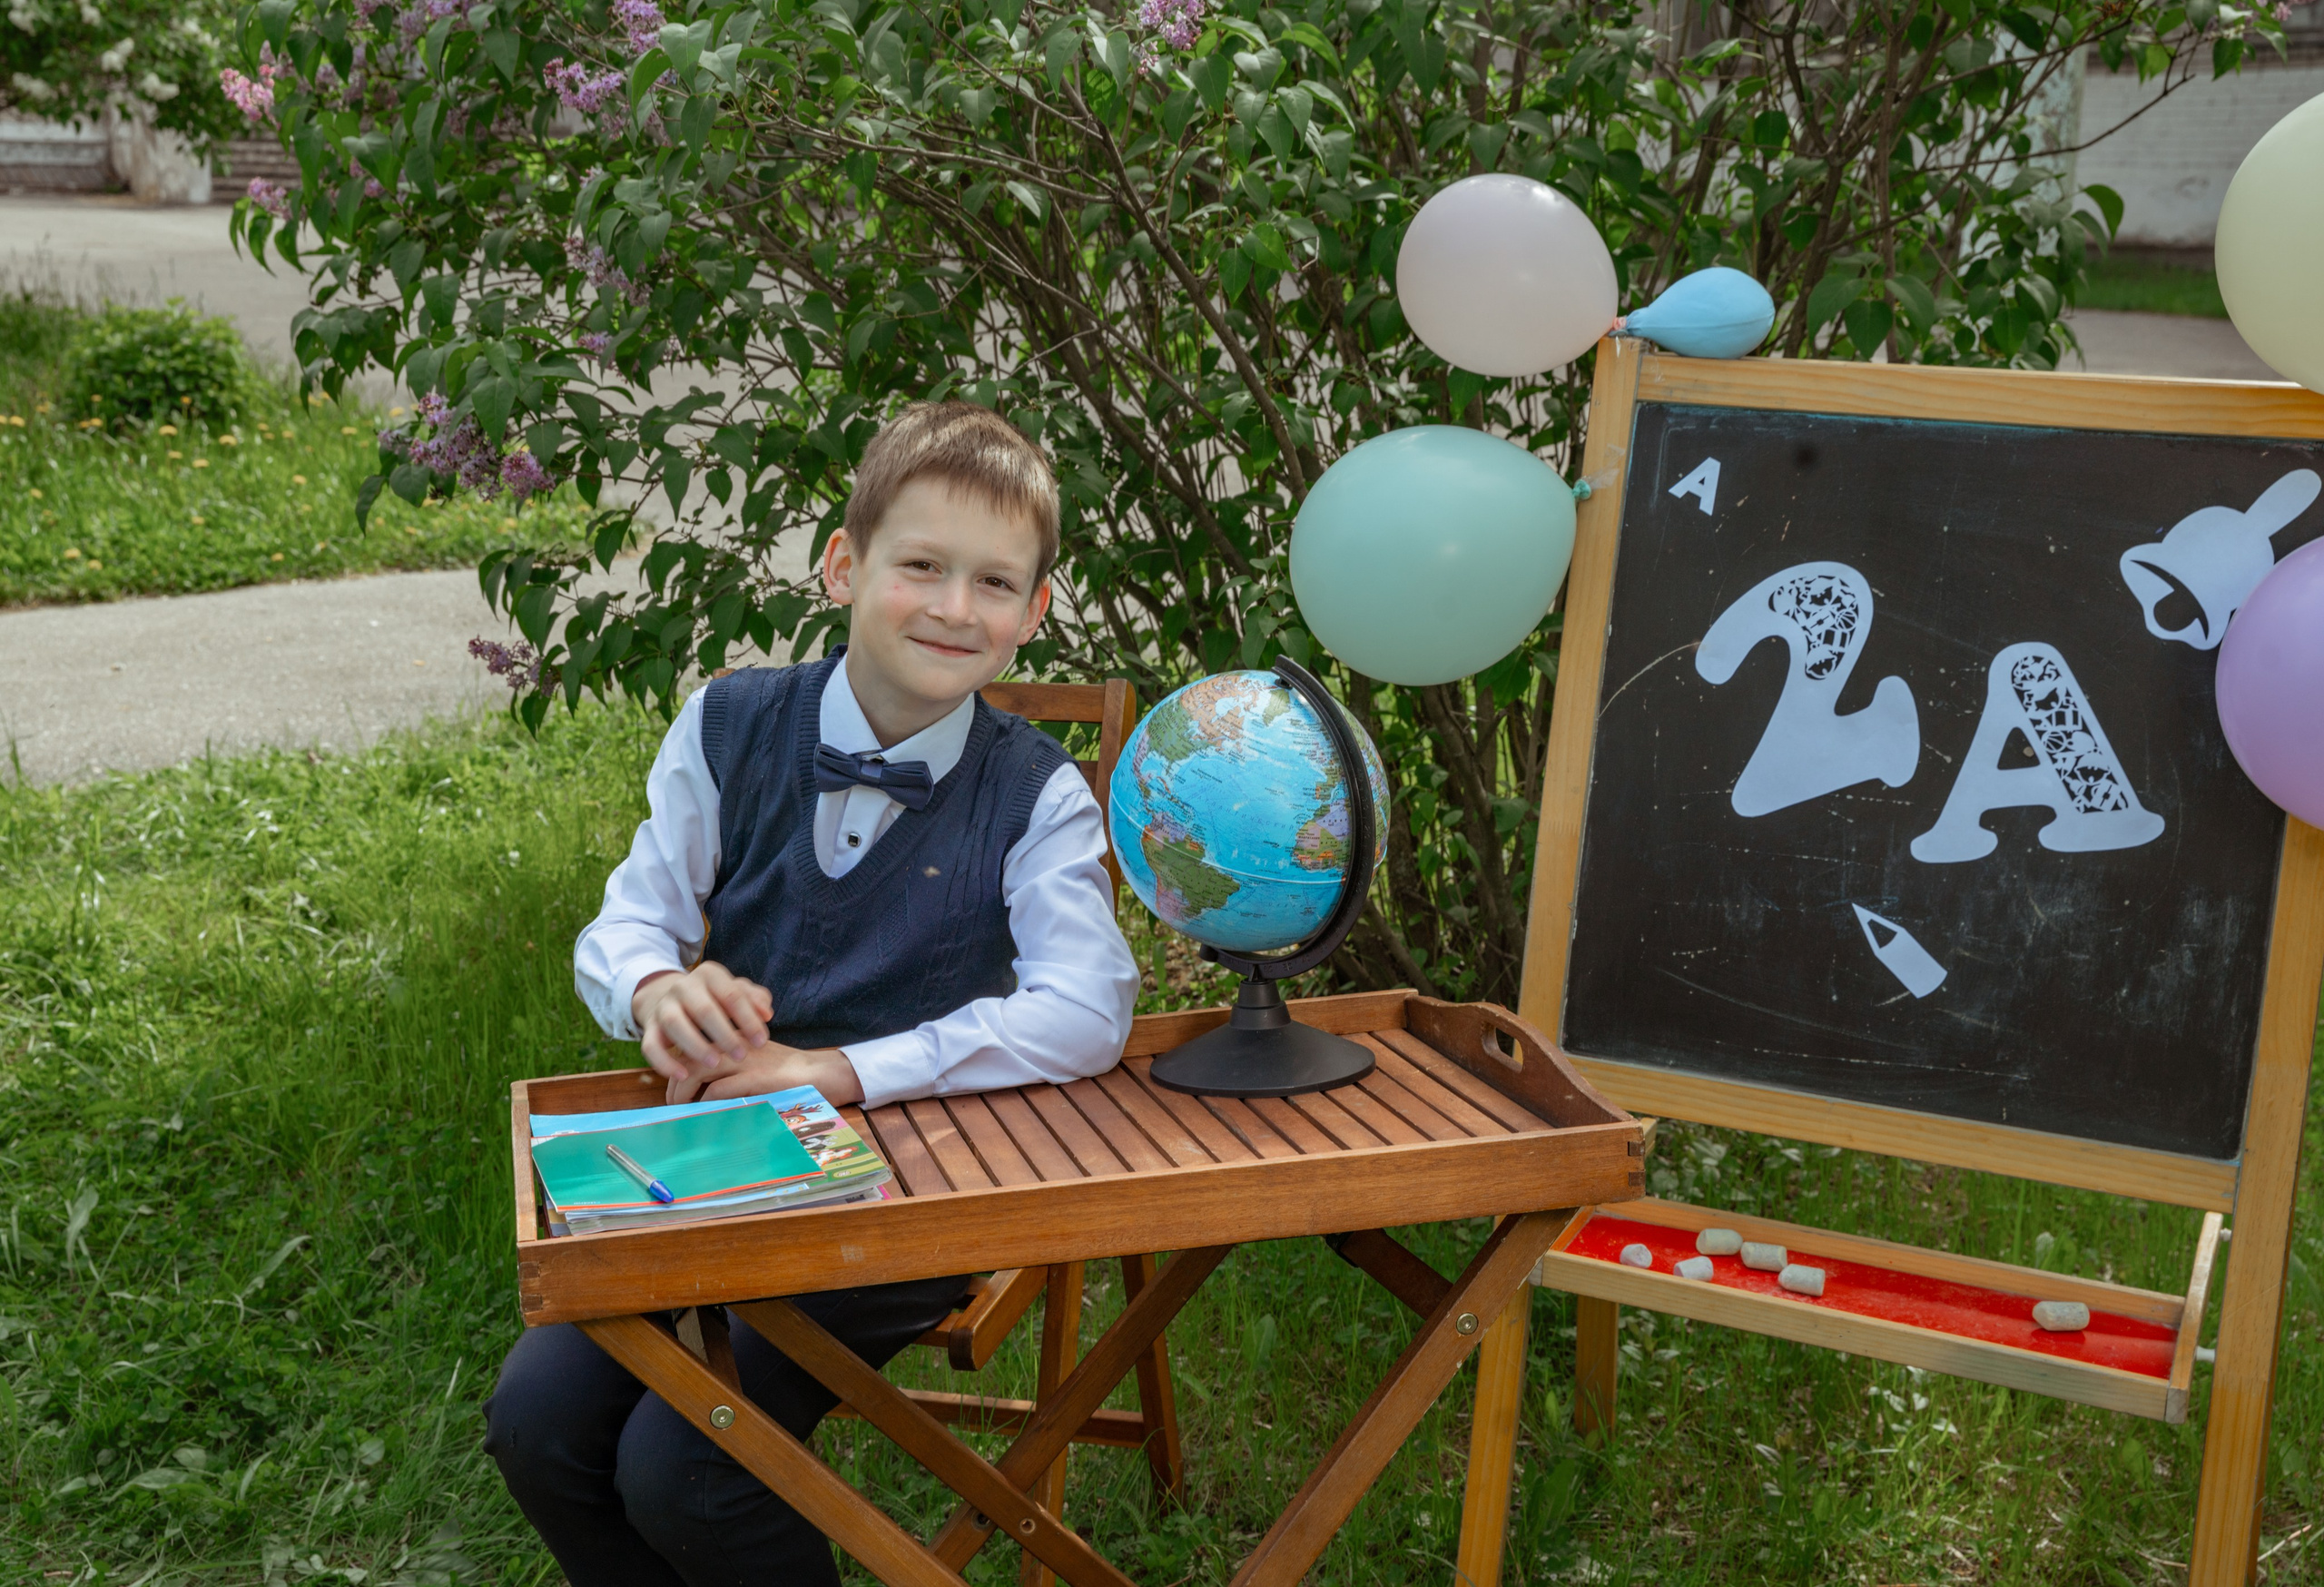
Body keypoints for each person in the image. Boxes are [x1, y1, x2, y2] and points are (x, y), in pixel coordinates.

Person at [484, 401, 1139, 1587]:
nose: (955, 608)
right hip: (718, 1154)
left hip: (914, 1186)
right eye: (922, 566)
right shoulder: (727, 723)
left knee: (690, 1466)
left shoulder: (1038, 794)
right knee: (536, 1424)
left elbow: (1089, 1012)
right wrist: (655, 990)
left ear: (1035, 612)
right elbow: (627, 922)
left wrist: (835, 1071)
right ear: (844, 566)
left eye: (995, 583)